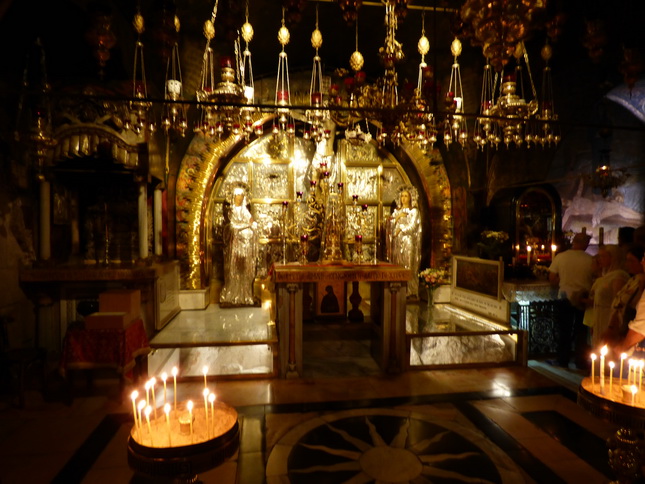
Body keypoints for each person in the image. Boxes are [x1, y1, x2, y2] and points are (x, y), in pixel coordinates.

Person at [549, 232, 594, 368]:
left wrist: (563, 282)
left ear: (574, 242)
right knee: (581, 331)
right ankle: (580, 361)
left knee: (564, 330)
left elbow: (552, 279)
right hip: (583, 299)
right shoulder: (590, 259)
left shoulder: (561, 257)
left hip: (564, 297)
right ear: (585, 244)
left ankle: (562, 360)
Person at [582, 245, 629, 348]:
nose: (600, 259)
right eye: (599, 256)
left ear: (613, 257)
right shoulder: (606, 275)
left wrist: (611, 326)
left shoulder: (618, 276)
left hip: (607, 317)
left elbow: (618, 303)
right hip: (599, 316)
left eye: (603, 256)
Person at [219, 185, 258, 307]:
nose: (239, 198)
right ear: (234, 197)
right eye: (237, 196)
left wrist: (253, 224)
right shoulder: (231, 210)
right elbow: (232, 227)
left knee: (246, 269)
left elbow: (251, 221)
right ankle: (233, 294)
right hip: (236, 244)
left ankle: (246, 294)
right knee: (234, 269)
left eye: (242, 196)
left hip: (246, 244)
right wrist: (246, 227)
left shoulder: (244, 210)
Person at [601, 245, 645, 345]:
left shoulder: (640, 281)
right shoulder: (632, 280)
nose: (627, 264)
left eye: (631, 261)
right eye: (627, 260)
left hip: (630, 329)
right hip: (619, 327)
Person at [388, 186, 422, 300]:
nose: (403, 198)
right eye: (402, 196)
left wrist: (401, 228)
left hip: (408, 242)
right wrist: (397, 218)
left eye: (406, 196)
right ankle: (398, 289)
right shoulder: (396, 212)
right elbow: (391, 228)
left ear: (411, 197)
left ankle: (410, 290)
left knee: (408, 264)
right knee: (398, 264)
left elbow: (412, 227)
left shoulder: (414, 211)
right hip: (397, 242)